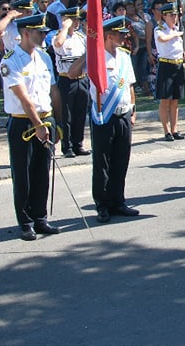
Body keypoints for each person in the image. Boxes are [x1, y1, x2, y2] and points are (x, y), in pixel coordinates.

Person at [70, 16, 140, 223]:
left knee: (121, 160)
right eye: (119, 34)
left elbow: (129, 85)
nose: (123, 37)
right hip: (104, 115)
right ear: (108, 35)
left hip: (123, 113)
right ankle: (102, 204)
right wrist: (88, 53)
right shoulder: (95, 58)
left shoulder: (125, 56)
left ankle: (118, 201)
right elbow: (72, 73)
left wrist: (133, 110)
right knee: (102, 162)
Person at [0, 13, 62, 241]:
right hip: (23, 123)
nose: (44, 35)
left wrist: (57, 122)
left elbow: (53, 90)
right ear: (26, 33)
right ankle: (25, 222)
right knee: (23, 174)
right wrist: (37, 124)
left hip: (45, 119)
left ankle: (40, 217)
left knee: (42, 172)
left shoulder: (44, 57)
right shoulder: (10, 59)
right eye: (40, 32)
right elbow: (24, 97)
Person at [52, 6, 91, 158]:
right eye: (73, 19)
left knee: (80, 114)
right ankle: (67, 146)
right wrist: (65, 27)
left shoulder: (81, 37)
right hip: (66, 80)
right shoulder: (58, 36)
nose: (77, 22)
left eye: (78, 20)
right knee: (66, 115)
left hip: (82, 79)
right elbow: (58, 44)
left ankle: (78, 144)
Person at [155, 3, 185, 141]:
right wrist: (175, 34)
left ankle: (174, 129)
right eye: (171, 15)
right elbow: (162, 39)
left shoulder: (176, 29)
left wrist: (182, 53)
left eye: (176, 15)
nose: (174, 18)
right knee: (165, 100)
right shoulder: (160, 29)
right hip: (166, 66)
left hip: (178, 65)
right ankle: (166, 130)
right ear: (164, 16)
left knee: (175, 100)